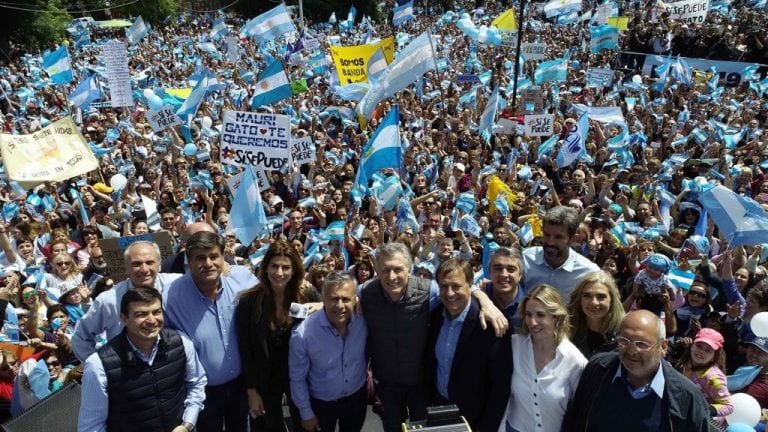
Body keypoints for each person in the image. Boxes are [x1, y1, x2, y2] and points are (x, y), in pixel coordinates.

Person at [359, 242, 507, 432]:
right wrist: (320, 306)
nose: (392, 276)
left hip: (420, 384)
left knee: (425, 428)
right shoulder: (365, 292)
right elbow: (341, 298)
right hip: (387, 384)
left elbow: (457, 288)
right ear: (377, 269)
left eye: (398, 269)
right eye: (385, 270)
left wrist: (486, 301)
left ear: (410, 269)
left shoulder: (429, 291)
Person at [164, 231, 259, 432]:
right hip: (202, 394)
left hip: (242, 387)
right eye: (200, 258)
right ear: (189, 261)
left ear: (223, 256)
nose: (208, 263)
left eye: (214, 256)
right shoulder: (170, 298)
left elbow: (272, 302)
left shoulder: (242, 280)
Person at [78, 286, 207, 432]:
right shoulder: (98, 365)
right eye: (141, 314)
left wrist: (187, 424)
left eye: (157, 312)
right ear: (124, 318)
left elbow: (196, 383)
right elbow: (92, 426)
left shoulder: (181, 343)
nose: (151, 320)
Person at [561, 310, 710, 431]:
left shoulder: (688, 398)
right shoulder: (598, 368)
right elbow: (575, 420)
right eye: (624, 341)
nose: (631, 351)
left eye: (642, 344)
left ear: (663, 347)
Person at [235, 239, 321, 431]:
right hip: (265, 383)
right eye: (274, 266)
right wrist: (251, 392)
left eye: (285, 267)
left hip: (301, 380)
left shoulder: (307, 295)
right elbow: (246, 350)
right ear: (265, 268)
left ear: (294, 270)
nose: (279, 273)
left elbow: (333, 310)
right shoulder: (249, 302)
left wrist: (321, 306)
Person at [429, 259, 510, 432]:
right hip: (439, 408)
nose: (450, 293)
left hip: (475, 418)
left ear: (470, 286)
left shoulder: (490, 326)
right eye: (444, 286)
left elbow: (499, 387)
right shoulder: (435, 317)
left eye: (456, 286)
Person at [72, 241, 181, 362]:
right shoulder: (109, 300)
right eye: (136, 264)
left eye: (150, 262)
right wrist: (100, 368)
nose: (144, 269)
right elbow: (81, 337)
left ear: (159, 264)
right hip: (128, 372)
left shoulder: (177, 286)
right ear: (126, 267)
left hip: (174, 365)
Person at [500, 284, 587, 432]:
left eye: (540, 315)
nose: (532, 322)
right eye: (528, 314)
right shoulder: (514, 345)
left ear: (556, 318)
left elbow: (582, 410)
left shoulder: (575, 361)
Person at [289, 272, 367, 432]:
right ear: (323, 299)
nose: (339, 305)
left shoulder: (363, 319)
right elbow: (297, 378)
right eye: (333, 298)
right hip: (321, 405)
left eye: (346, 299)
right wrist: (306, 414)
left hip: (356, 399)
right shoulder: (303, 333)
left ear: (355, 300)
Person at [522, 206, 599, 298]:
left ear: (572, 239)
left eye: (558, 237)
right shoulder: (525, 259)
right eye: (547, 235)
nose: (550, 242)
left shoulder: (588, 272)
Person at [674, 328, 733, 422]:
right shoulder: (687, 361)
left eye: (708, 350)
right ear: (692, 345)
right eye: (699, 346)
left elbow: (728, 406)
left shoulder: (714, 377)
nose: (701, 351)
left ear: (714, 356)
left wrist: (704, 410)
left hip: (699, 419)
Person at [567, 271, 625, 358]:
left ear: (612, 300)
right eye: (587, 295)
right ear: (579, 299)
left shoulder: (625, 331)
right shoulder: (567, 328)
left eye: (601, 296)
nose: (594, 303)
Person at [485, 247, 523, 328]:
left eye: (511, 269)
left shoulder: (529, 305)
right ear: (489, 272)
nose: (504, 274)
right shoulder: (477, 298)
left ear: (520, 275)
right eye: (498, 268)